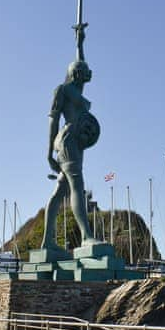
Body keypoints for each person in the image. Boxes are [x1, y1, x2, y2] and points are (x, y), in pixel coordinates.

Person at [41, 49, 100, 254]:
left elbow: (79, 62)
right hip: (67, 142)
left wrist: (81, 41)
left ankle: (48, 241)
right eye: (84, 72)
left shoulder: (77, 90)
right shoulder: (63, 90)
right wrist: (49, 152)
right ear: (77, 74)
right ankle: (87, 237)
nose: (88, 74)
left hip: (78, 142)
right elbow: (53, 120)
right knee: (77, 185)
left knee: (59, 192)